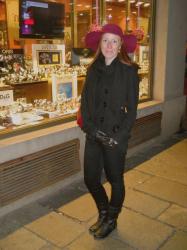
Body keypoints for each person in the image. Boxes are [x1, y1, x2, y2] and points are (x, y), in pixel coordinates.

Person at [80, 23, 139, 239]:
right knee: (91, 179)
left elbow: (132, 110)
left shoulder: (129, 70)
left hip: (115, 136)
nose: (109, 45)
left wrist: (119, 137)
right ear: (100, 44)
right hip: (94, 135)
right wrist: (91, 129)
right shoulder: (92, 69)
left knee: (115, 180)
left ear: (121, 44)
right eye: (106, 40)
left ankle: (112, 219)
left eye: (114, 41)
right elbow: (84, 104)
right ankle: (103, 212)